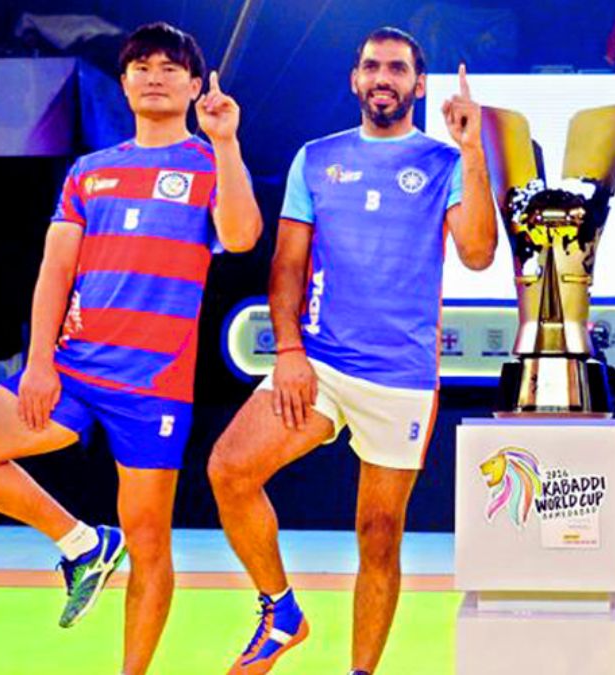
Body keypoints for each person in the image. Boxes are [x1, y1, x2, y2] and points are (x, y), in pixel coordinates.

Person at [207, 26, 496, 675]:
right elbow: (287, 263)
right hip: (321, 364)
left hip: (401, 376)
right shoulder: (316, 158)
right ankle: (281, 610)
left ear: (418, 85)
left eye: (396, 68)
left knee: (379, 534)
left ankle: (360, 671)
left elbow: (478, 253)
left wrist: (473, 148)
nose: (382, 77)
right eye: (371, 66)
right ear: (354, 79)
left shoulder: (446, 162)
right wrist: (288, 350)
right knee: (229, 469)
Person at [0, 22, 261, 675]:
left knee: (149, 540)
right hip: (74, 369)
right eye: (142, 67)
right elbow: (55, 272)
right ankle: (81, 542)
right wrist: (40, 362)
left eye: (171, 68)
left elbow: (242, 236)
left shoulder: (209, 163)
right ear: (125, 83)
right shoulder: (90, 171)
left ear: (194, 86)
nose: (155, 77)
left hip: (153, 387)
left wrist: (226, 142)